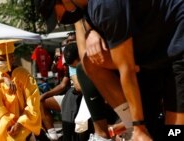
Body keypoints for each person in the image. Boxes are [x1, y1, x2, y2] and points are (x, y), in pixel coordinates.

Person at [37, 0, 184, 140]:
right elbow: (85, 58)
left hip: (177, 46)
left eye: (56, 14)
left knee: (175, 133)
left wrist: (139, 127)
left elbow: (127, 69)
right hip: (152, 55)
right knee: (89, 63)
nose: (58, 20)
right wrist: (90, 32)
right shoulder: (89, 11)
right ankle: (136, 125)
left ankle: (139, 127)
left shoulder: (105, 6)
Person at [0, 39, 41, 141]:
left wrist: (19, 123)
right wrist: (1, 80)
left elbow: (33, 104)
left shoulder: (24, 75)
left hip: (22, 120)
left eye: (2, 59)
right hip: (0, 119)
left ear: (11, 58)